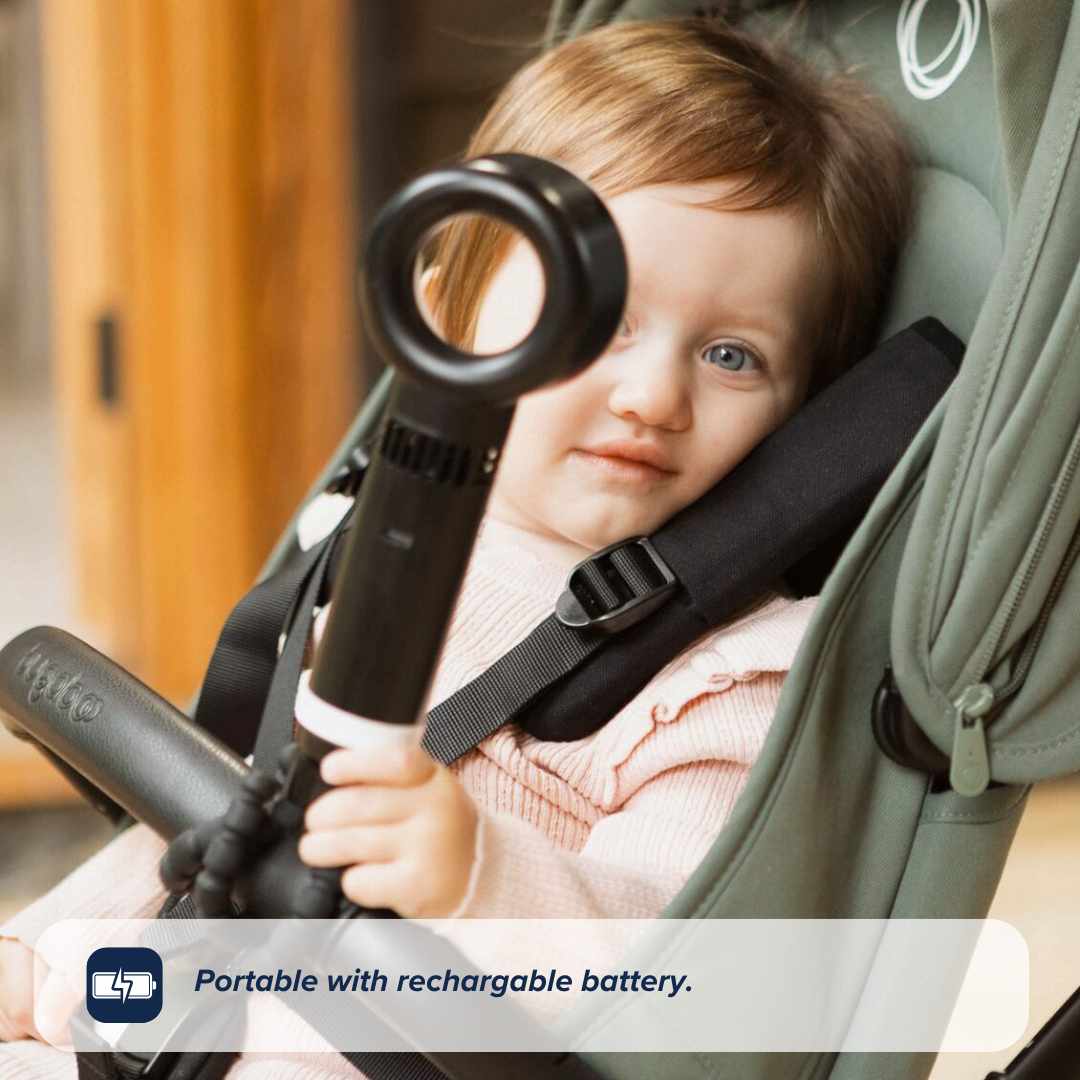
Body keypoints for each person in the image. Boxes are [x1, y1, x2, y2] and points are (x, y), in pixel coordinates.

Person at [0, 15, 912, 1077]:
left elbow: (675, 958)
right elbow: (216, 831)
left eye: (731, 354)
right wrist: (37, 951)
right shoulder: (375, 544)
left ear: (799, 413)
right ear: (448, 319)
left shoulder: (726, 679)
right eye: (600, 318)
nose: (656, 395)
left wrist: (482, 873)